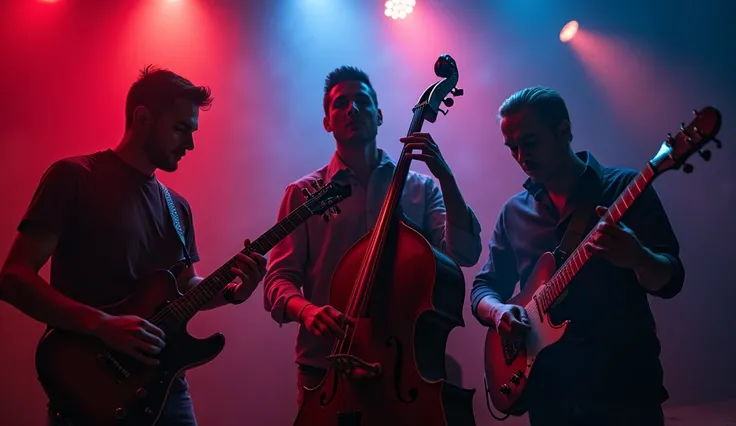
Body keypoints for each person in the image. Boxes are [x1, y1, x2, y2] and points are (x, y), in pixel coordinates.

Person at [0, 65, 267, 426]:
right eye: (180, 129)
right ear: (142, 118)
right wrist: (102, 325)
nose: (189, 144)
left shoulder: (177, 206)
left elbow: (185, 286)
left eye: (192, 132)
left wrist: (234, 290)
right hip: (90, 390)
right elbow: (14, 277)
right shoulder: (74, 177)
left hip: (166, 389)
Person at [263, 66, 483, 406]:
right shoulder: (304, 193)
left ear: (379, 115)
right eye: (340, 104)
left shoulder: (421, 189)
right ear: (327, 122)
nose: (353, 109)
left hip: (406, 363)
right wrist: (307, 312)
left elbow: (463, 255)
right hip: (326, 366)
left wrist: (447, 178)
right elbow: (278, 281)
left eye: (363, 101)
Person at [471, 86, 685, 426]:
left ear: (564, 131)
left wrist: (638, 258)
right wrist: (498, 313)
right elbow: (483, 287)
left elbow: (671, 279)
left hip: (624, 391)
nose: (521, 157)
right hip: (548, 395)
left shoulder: (624, 188)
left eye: (530, 142)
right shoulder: (513, 213)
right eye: (512, 148)